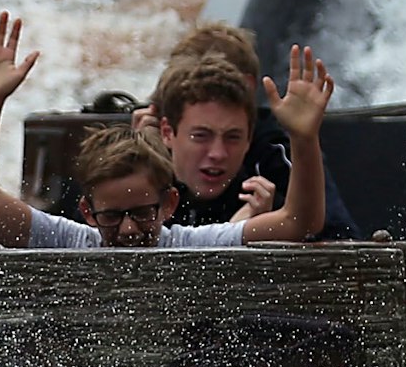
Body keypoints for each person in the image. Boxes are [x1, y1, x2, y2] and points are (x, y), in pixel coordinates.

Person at [0, 10, 332, 248]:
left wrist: (303, 138)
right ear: (87, 211)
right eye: (112, 216)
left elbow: (301, 221)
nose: (130, 231)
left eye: (142, 213)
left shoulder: (189, 244)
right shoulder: (71, 241)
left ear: (169, 205)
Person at [138, 23, 361, 239]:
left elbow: (306, 223)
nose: (218, 153)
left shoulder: (260, 183)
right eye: (200, 136)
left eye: (233, 137)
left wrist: (304, 139)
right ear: (167, 132)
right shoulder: (139, 182)